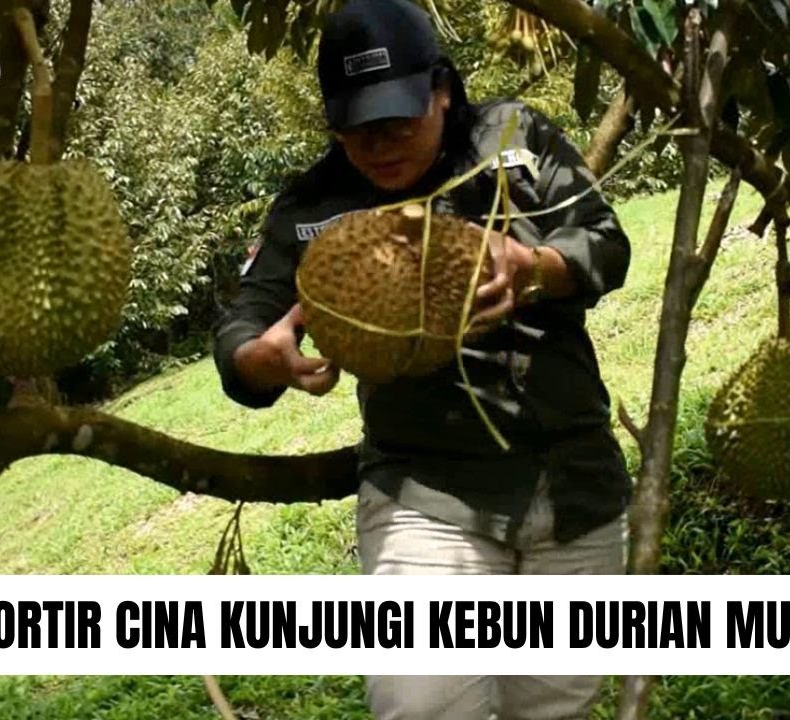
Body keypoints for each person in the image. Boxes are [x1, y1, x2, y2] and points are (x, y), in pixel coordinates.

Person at [212, 1, 633, 717]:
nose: (377, 145)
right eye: (355, 129)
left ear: (442, 88)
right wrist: (262, 359)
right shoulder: (316, 205)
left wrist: (534, 265)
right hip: (427, 499)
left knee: (556, 707)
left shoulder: (512, 138)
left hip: (574, 486)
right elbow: (243, 328)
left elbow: (604, 241)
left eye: (397, 120)